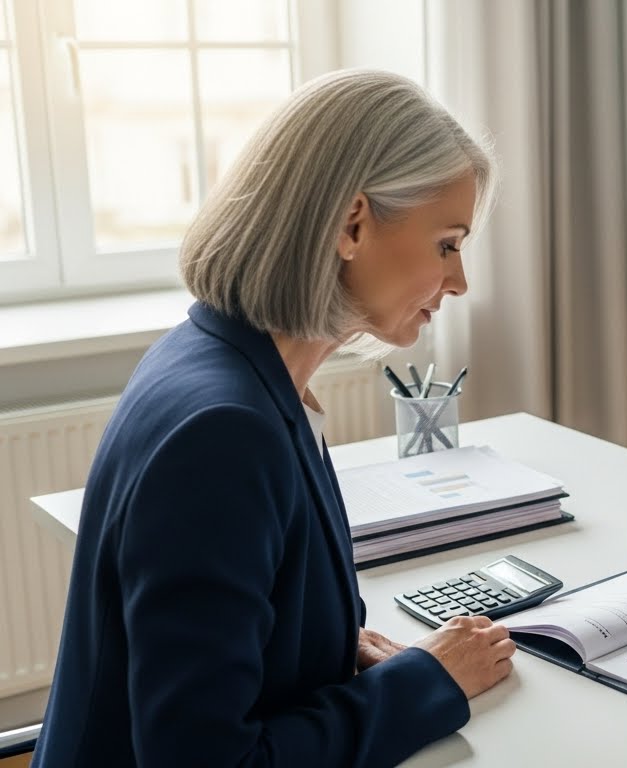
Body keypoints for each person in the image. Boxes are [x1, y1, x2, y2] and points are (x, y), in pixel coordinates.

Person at [35, 70, 513, 767]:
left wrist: (327, 649)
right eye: (447, 243)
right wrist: (426, 682)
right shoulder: (225, 431)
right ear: (352, 224)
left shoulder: (229, 360)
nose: (459, 280)